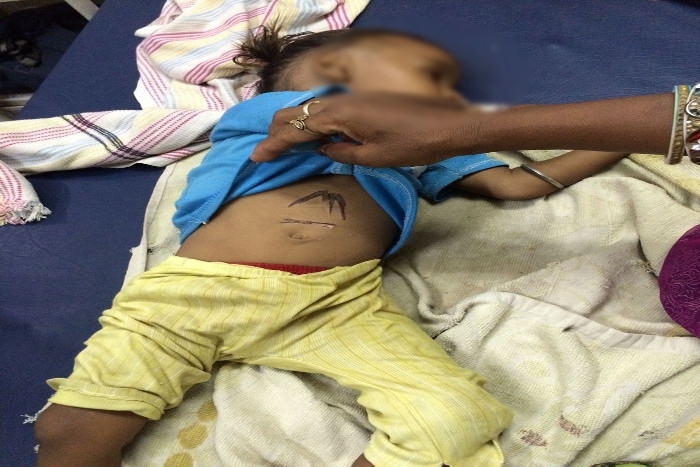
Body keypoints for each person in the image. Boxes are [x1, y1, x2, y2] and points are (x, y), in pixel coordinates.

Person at [34, 27, 633, 467]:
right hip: (197, 290)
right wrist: (310, 115)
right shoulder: (258, 121)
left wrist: (631, 133)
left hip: (336, 305)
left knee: (454, 417)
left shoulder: (426, 147)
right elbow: (297, 120)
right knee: (69, 429)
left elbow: (520, 182)